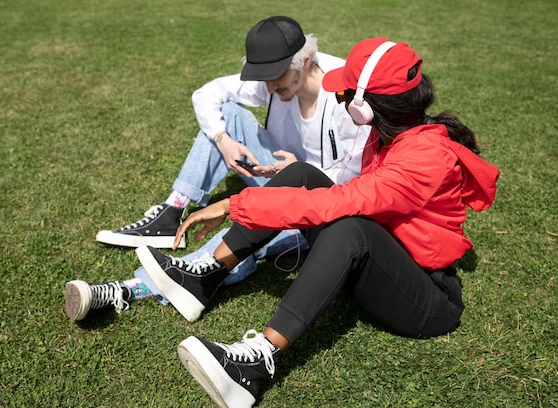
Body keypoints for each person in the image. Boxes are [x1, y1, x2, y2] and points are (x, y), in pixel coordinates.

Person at [134, 37, 500, 407]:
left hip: (428, 302)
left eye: (344, 97)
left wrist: (234, 203)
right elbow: (345, 186)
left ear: (365, 109)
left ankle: (256, 364)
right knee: (303, 173)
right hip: (388, 261)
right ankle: (207, 274)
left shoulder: (424, 157)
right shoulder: (392, 134)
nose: (339, 102)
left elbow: (343, 201)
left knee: (350, 228)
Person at [64, 16, 372, 321]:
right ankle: (173, 211)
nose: (267, 86)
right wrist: (224, 140)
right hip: (278, 173)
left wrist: (302, 171)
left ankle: (129, 289)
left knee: (244, 233)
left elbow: (356, 188)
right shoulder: (277, 81)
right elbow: (207, 94)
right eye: (263, 76)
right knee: (227, 113)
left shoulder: (347, 99)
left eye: (274, 75)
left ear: (304, 61)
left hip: (318, 206)